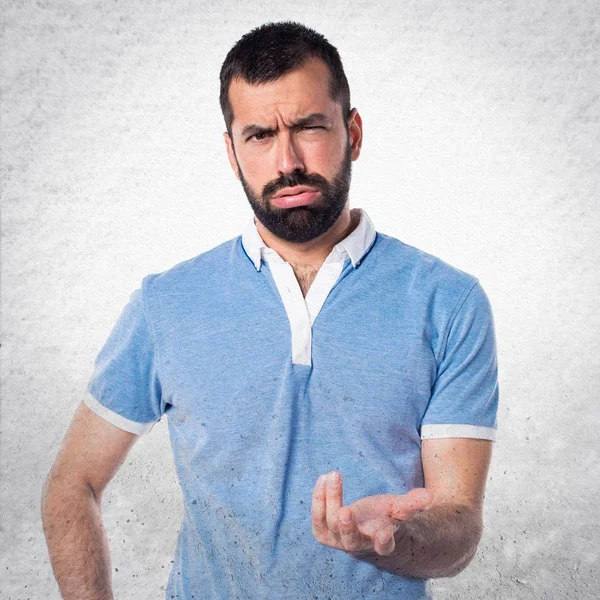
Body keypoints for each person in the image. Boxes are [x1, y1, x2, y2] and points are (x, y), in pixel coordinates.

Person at [41, 21, 499, 600]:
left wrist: (395, 537)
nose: (287, 162)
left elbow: (459, 527)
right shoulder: (167, 303)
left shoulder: (448, 303)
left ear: (352, 132)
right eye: (259, 135)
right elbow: (71, 483)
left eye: (309, 127)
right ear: (232, 152)